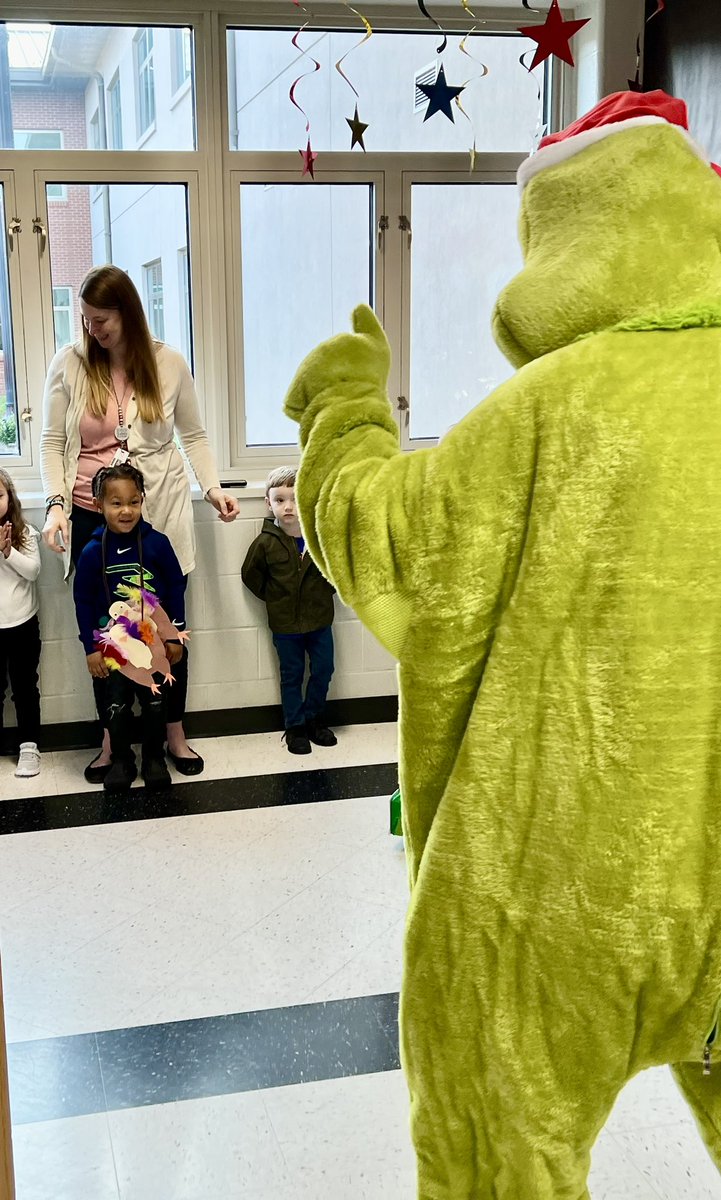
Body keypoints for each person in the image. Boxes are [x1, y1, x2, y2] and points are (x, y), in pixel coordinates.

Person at [282, 92, 721, 1197]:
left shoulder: (541, 415)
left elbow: (378, 542)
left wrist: (343, 406)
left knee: (499, 1140)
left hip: (553, 902)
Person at [40, 264, 240, 782]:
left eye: (101, 319)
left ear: (127, 313)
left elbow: (193, 435)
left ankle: (173, 731)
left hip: (161, 515)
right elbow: (49, 442)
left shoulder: (168, 363)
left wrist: (214, 487)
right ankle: (112, 741)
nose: (91, 330)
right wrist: (57, 505)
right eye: (85, 319)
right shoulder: (71, 364)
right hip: (91, 517)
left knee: (165, 627)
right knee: (107, 635)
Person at [73, 463, 186, 792]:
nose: (126, 510)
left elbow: (176, 590)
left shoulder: (158, 544)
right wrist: (90, 648)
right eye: (116, 503)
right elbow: (82, 602)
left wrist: (174, 636)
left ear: (142, 501)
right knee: (117, 707)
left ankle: (153, 757)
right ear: (99, 505)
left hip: (153, 648)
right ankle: (122, 759)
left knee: (154, 704)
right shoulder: (94, 552)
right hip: (111, 651)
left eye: (133, 502)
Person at [241, 466, 336, 754]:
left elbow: (336, 574)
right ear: (268, 503)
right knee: (291, 675)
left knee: (323, 669)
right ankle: (294, 727)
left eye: (294, 498)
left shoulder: (319, 539)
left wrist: (321, 594)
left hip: (320, 622)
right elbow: (250, 576)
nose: (288, 507)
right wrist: (275, 599)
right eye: (280, 500)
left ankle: (314, 719)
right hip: (285, 627)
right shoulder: (265, 543)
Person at [0, 469, 42, 778]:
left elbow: (33, 571)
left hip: (22, 625)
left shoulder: (24, 532)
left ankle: (29, 746)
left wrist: (7, 552)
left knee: (25, 688)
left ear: (9, 498)